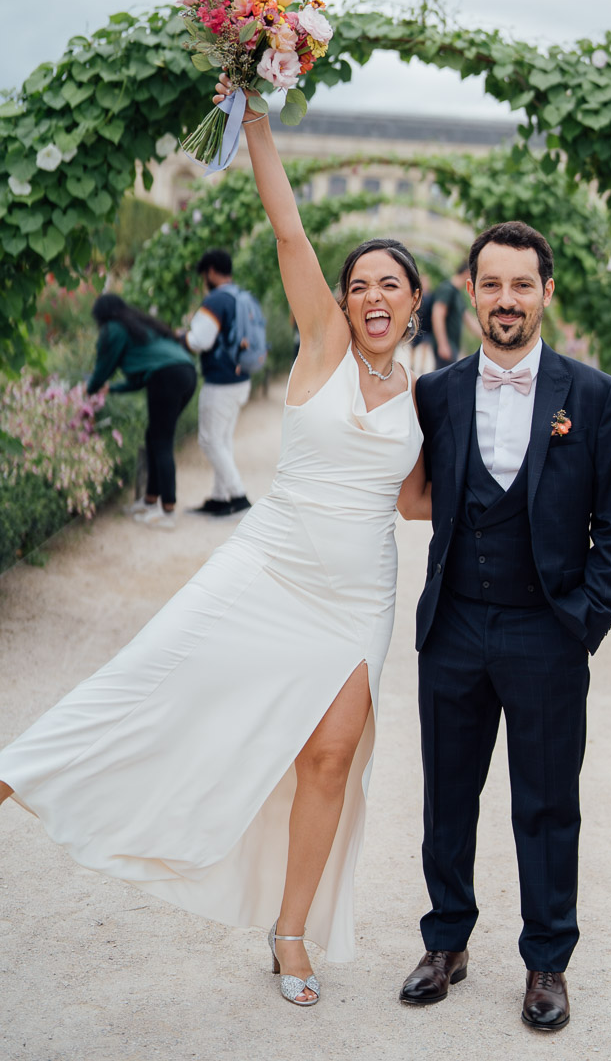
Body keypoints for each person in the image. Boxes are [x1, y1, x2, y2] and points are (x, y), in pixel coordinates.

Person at [0, 78, 424, 1008]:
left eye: (390, 283)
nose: (371, 296)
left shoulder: (424, 402)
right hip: (268, 570)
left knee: (328, 762)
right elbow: (288, 233)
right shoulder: (321, 345)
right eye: (360, 285)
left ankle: (290, 935)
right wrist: (260, 121)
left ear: (417, 300)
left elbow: (423, 502)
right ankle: (16, 775)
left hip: (358, 605)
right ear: (345, 303)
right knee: (154, 669)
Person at [397, 220, 611, 1030]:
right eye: (492, 284)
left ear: (545, 293)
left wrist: (585, 623)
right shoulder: (435, 392)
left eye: (522, 285)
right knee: (447, 795)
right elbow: (406, 492)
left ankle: (546, 965)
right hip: (456, 625)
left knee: (546, 804)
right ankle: (446, 943)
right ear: (470, 291)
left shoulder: (597, 398)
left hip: (549, 632)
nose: (507, 301)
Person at [87, 294, 197, 528]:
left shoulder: (114, 329)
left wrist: (88, 390)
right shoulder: (137, 325)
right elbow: (143, 375)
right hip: (185, 373)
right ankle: (150, 501)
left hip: (167, 377)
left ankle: (167, 512)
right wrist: (113, 388)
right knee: (154, 437)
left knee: (161, 440)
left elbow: (103, 367)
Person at [180, 248, 253, 517]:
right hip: (241, 378)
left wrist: (181, 337)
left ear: (210, 271)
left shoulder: (216, 300)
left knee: (210, 441)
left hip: (220, 381)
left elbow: (200, 340)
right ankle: (221, 498)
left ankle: (238, 496)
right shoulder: (241, 296)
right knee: (222, 440)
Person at [430, 260, 480, 369]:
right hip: (446, 347)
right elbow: (437, 315)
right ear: (467, 273)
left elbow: (469, 320)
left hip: (453, 347)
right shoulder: (447, 289)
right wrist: (442, 344)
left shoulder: (458, 293)